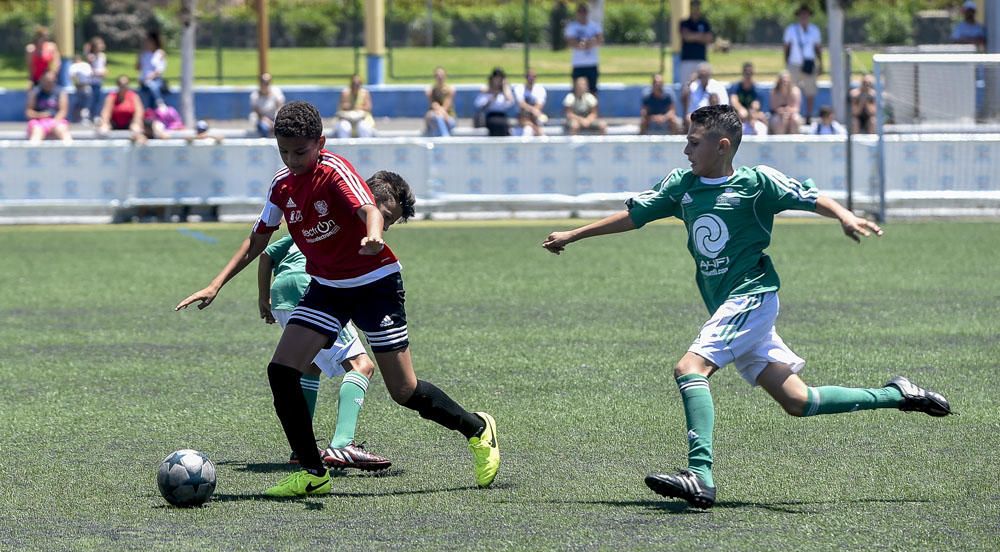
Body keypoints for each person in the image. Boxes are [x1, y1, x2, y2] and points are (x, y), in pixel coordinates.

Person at [541, 104, 952, 510]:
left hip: (752, 296)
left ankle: (700, 476)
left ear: (722, 146)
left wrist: (844, 216)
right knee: (798, 401)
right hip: (730, 306)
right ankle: (897, 394)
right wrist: (573, 234)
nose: (686, 150)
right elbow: (634, 216)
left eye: (694, 142)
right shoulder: (682, 186)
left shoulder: (757, 184)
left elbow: (809, 197)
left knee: (690, 368)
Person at [175, 101, 500, 497]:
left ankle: (477, 429)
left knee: (404, 391)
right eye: (284, 152)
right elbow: (259, 238)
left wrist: (374, 233)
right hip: (327, 287)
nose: (293, 161)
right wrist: (216, 284)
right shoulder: (282, 185)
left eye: (300, 152)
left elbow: (368, 207)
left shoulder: (334, 171)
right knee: (281, 370)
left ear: (320, 143)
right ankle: (314, 471)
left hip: (375, 284)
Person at [258, 234, 391, 471]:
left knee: (311, 365)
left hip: (281, 294)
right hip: (308, 288)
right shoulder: (349, 229)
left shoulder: (300, 231)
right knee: (362, 365)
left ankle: (302, 449)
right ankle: (343, 444)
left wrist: (263, 298)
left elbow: (266, 255)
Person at [783, 4, 822, 124]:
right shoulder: (791, 29)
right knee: (792, 90)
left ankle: (808, 115)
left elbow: (817, 48)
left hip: (809, 63)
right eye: (802, 14)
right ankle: (793, 113)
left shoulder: (814, 30)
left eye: (806, 14)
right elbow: (786, 47)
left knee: (810, 91)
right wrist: (786, 62)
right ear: (798, 15)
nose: (804, 16)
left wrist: (820, 63)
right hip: (794, 63)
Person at [564, 3, 603, 94]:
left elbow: (600, 40)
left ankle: (594, 108)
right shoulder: (572, 26)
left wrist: (587, 43)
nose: (582, 14)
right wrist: (585, 43)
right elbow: (570, 42)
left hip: (592, 64)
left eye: (584, 11)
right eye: (580, 11)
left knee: (593, 91)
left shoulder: (594, 26)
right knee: (576, 92)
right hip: (578, 64)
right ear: (577, 13)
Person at [25, 71, 71, 144]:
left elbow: (63, 111)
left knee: (62, 130)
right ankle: (32, 153)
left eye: (51, 81)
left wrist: (54, 122)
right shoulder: (35, 92)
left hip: (56, 120)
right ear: (42, 80)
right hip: (39, 121)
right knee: (37, 131)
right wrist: (41, 115)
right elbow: (29, 112)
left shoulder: (60, 92)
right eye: (46, 81)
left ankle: (71, 152)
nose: (49, 83)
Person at [678, 0, 713, 88]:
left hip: (701, 59)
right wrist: (701, 36)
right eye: (693, 7)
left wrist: (693, 35)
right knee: (686, 87)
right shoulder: (684, 23)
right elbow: (686, 37)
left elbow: (709, 38)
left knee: (703, 86)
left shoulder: (704, 23)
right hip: (687, 60)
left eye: (697, 7)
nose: (695, 9)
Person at [681, 63, 728, 128]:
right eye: (701, 75)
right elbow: (687, 104)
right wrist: (690, 82)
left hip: (714, 116)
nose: (703, 76)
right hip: (697, 117)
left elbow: (724, 107)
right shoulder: (693, 86)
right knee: (688, 118)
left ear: (709, 74)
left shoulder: (718, 87)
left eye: (705, 74)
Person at [98, 75, 144, 141]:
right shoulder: (111, 97)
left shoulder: (134, 96)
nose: (123, 87)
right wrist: (105, 123)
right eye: (121, 85)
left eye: (125, 85)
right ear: (117, 85)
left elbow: (139, 112)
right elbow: (106, 112)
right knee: (103, 129)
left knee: (136, 129)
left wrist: (136, 123)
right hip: (114, 123)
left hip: (129, 123)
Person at [474, 67, 515, 137]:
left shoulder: (505, 90)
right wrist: (492, 98)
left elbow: (510, 102)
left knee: (504, 125)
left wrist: (504, 87)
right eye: (496, 78)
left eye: (500, 78)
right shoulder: (486, 90)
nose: (498, 80)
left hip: (502, 116)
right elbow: (478, 104)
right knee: (495, 124)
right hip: (490, 116)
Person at [334, 74, 375, 138]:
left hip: (362, 118)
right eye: (354, 84)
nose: (355, 86)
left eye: (358, 84)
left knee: (364, 127)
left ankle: (364, 147)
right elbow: (341, 106)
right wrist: (349, 106)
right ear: (351, 84)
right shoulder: (345, 93)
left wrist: (358, 107)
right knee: (344, 127)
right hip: (346, 119)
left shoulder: (365, 93)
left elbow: (368, 107)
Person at [513, 68, 549, 137]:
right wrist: (533, 110)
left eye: (534, 76)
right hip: (522, 117)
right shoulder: (519, 88)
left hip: (535, 118)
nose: (531, 78)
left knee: (542, 136)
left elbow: (539, 105)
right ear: (526, 77)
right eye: (529, 76)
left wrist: (534, 112)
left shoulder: (540, 89)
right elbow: (521, 104)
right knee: (527, 131)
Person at [137, 30, 167, 108]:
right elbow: (138, 68)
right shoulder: (144, 54)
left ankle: (155, 106)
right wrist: (139, 57)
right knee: (151, 86)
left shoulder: (160, 53)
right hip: (144, 80)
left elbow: (160, 69)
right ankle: (159, 103)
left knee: (152, 86)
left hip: (156, 80)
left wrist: (151, 76)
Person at [250, 73, 285, 138]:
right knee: (263, 128)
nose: (265, 84)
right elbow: (257, 113)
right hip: (262, 120)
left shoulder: (276, 92)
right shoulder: (255, 95)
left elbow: (280, 107)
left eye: (267, 82)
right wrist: (268, 122)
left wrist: (276, 121)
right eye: (263, 82)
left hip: (276, 118)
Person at [424, 66, 456, 137]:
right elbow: (432, 105)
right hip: (436, 118)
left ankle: (445, 138)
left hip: (449, 119)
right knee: (431, 116)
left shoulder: (449, 90)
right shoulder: (432, 91)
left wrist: (437, 107)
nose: (440, 78)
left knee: (437, 117)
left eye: (442, 76)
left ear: (445, 76)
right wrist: (430, 97)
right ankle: (443, 137)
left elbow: (445, 109)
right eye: (437, 76)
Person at [769, 71, 802, 135]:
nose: (785, 83)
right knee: (779, 121)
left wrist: (788, 111)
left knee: (795, 120)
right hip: (778, 115)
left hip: (792, 114)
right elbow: (773, 108)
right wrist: (781, 112)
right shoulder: (774, 92)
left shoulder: (795, 91)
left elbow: (797, 108)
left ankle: (794, 142)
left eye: (786, 81)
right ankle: (780, 142)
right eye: (783, 81)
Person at [86, 37, 108, 124]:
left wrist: (104, 72)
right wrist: (98, 73)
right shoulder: (91, 56)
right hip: (92, 82)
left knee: (98, 99)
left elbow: (104, 67)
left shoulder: (103, 56)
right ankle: (89, 115)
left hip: (99, 81)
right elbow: (90, 69)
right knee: (92, 99)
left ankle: (96, 115)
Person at [68, 55, 94, 123]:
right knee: (78, 104)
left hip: (86, 87)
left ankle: (84, 118)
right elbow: (72, 76)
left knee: (86, 104)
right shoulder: (73, 66)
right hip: (78, 88)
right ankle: (76, 119)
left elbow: (90, 74)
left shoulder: (85, 65)